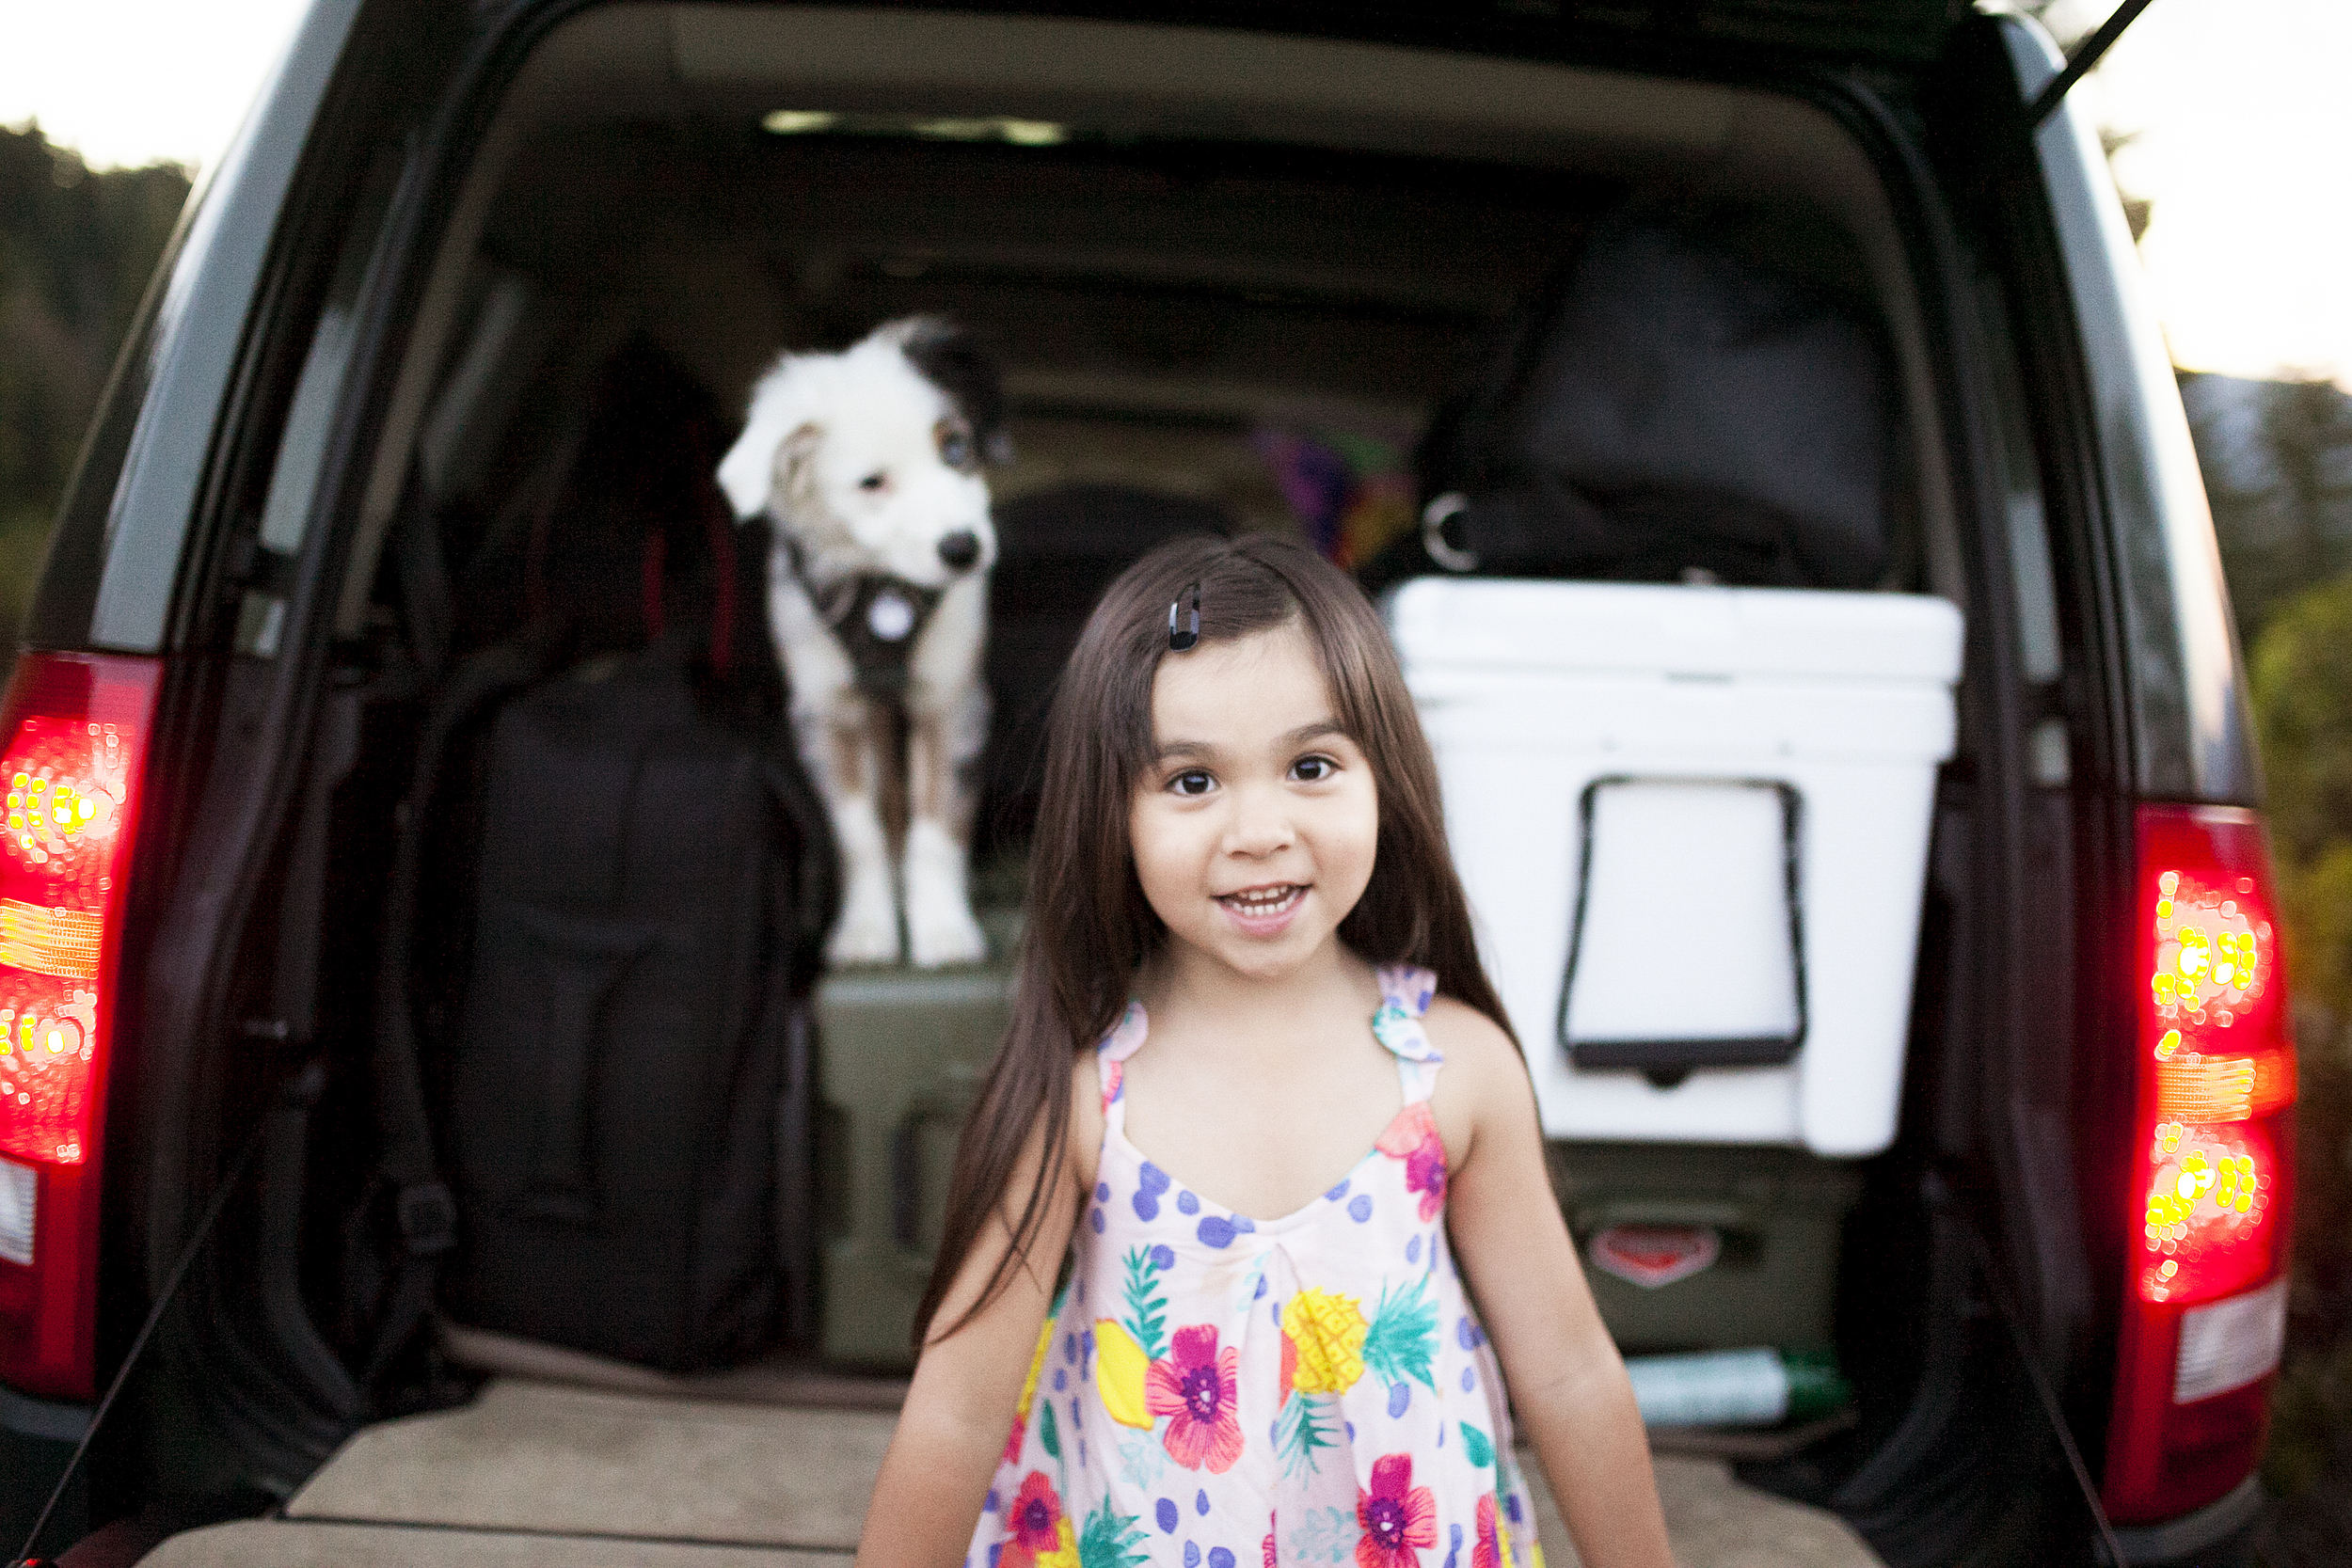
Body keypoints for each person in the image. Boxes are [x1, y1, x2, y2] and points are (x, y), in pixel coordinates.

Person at [857, 534, 1674, 1568]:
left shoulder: (1454, 1070)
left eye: (1311, 766)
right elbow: (957, 1415)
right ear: (1111, 814)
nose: (1257, 827)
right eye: (1191, 780)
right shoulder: (1084, 1090)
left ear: (1390, 777)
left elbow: (1566, 1374)